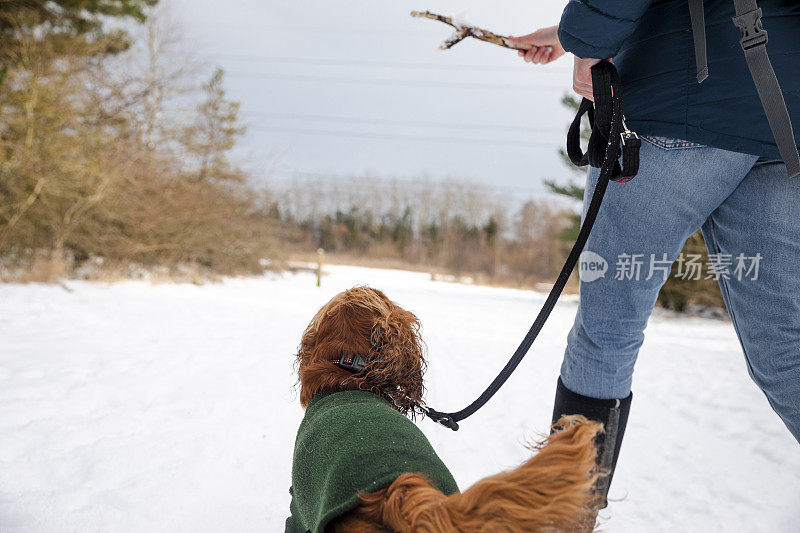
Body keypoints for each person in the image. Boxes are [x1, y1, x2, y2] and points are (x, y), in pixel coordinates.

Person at [508, 0, 800, 510]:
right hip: (782, 123)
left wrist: (591, 42)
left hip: (673, 109)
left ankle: (564, 515)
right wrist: (570, 33)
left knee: (608, 331)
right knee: (788, 352)